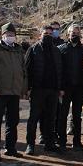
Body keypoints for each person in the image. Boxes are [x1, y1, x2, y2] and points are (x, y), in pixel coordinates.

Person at [0, 23, 27, 161]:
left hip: (14, 92)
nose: (10, 37)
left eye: (12, 35)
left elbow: (23, 70)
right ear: (2, 36)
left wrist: (22, 89)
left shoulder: (19, 50)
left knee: (13, 121)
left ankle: (10, 147)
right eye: (8, 35)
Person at [25, 25, 64, 155]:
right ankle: (30, 144)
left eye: (50, 33)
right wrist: (28, 88)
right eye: (45, 33)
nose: (48, 35)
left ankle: (49, 143)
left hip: (52, 90)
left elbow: (60, 70)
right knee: (34, 118)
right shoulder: (33, 49)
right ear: (40, 35)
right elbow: (27, 70)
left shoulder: (56, 51)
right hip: (38, 89)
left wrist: (60, 88)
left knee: (50, 118)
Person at [57, 24, 83, 151]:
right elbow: (57, 70)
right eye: (72, 32)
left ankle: (77, 141)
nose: (74, 34)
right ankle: (62, 141)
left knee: (77, 115)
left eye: (76, 32)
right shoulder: (61, 49)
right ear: (68, 34)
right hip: (65, 88)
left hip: (79, 88)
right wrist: (59, 87)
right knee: (62, 114)